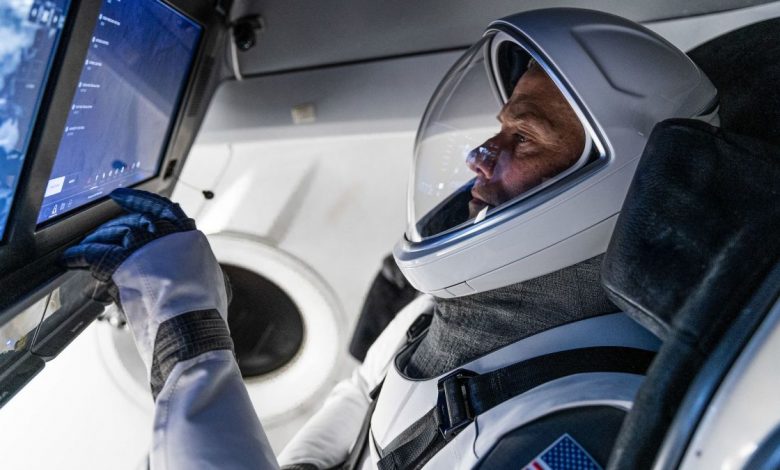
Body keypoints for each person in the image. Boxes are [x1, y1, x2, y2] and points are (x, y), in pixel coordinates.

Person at [63, 8, 718, 470]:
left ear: (617, 178)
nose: (479, 157)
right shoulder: (452, 309)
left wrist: (185, 324)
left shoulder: (584, 426)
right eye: (499, 129)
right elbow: (362, 396)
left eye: (522, 138)